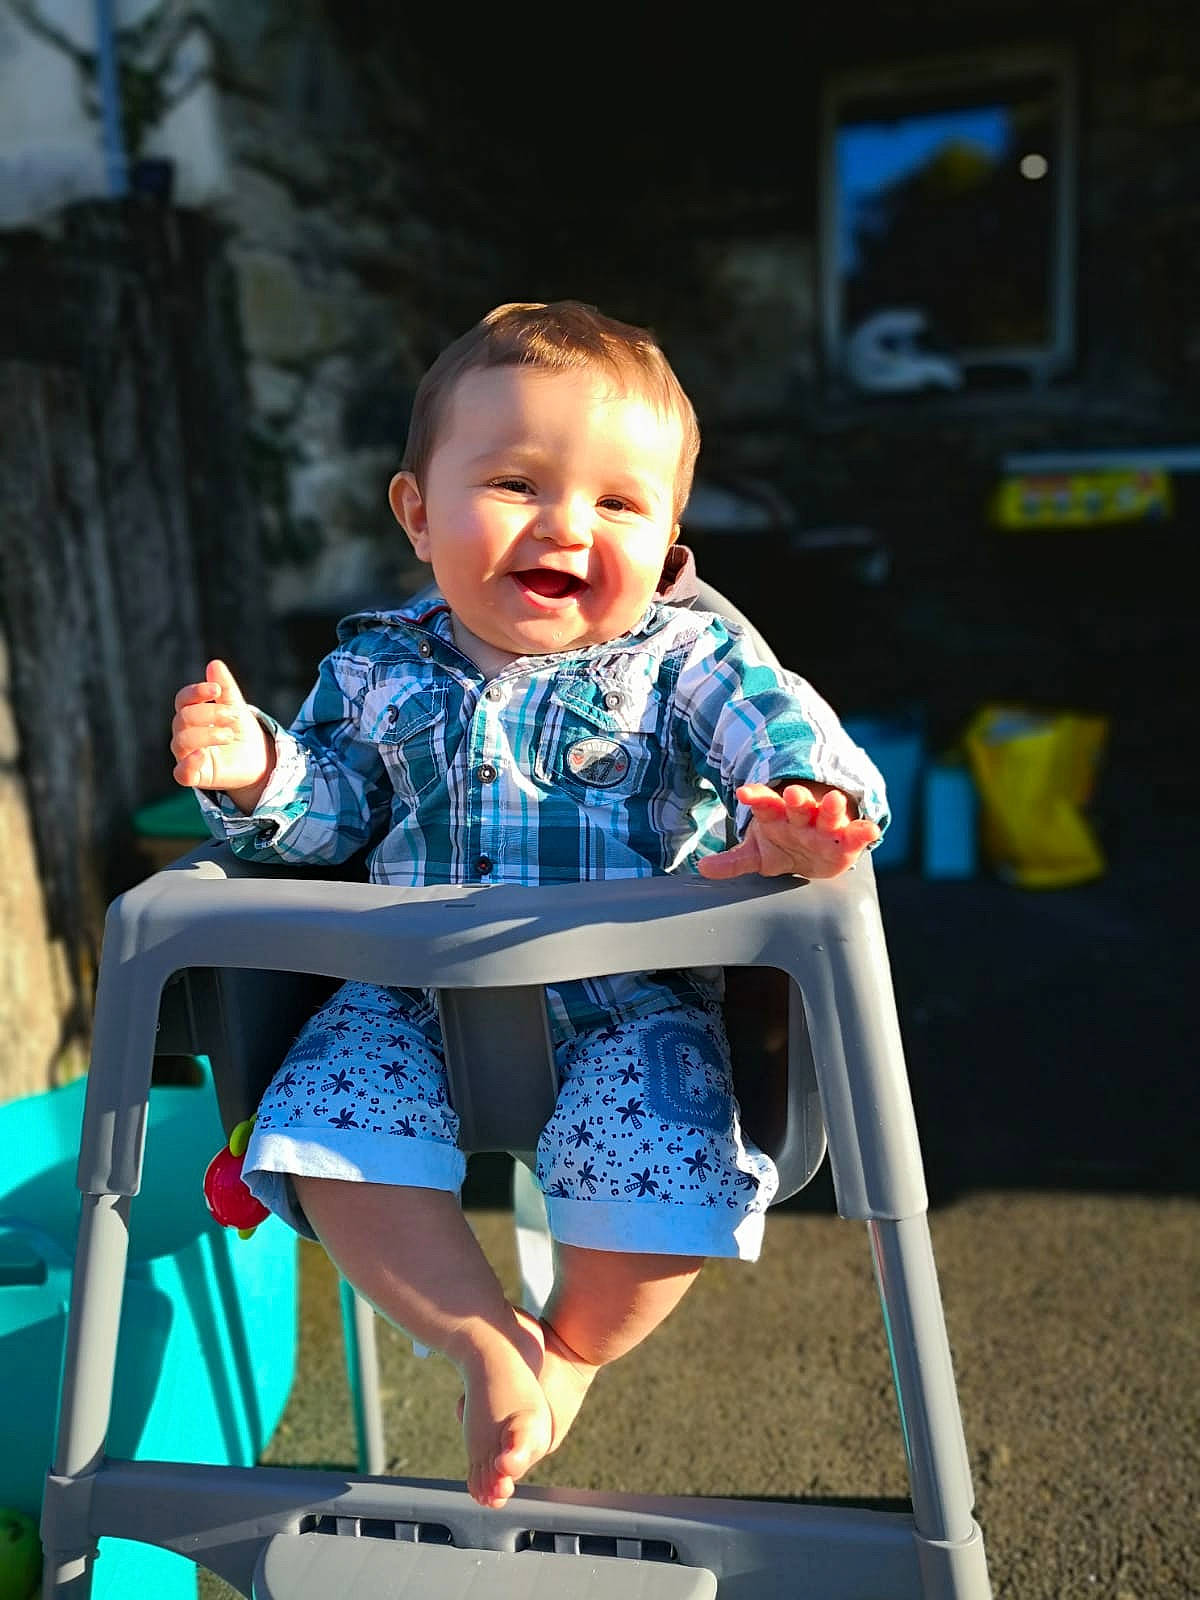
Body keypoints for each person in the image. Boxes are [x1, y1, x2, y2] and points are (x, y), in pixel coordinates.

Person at [170, 300, 888, 1509]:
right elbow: (332, 814)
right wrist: (257, 769)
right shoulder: (376, 667)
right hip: (405, 996)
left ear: (669, 543)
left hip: (634, 1009)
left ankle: (570, 1352)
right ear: (417, 513)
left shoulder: (684, 662)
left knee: (669, 1181)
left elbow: (779, 731)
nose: (566, 525)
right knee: (323, 1132)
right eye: (515, 483)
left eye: (619, 503)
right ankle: (481, 1337)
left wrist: (800, 810)